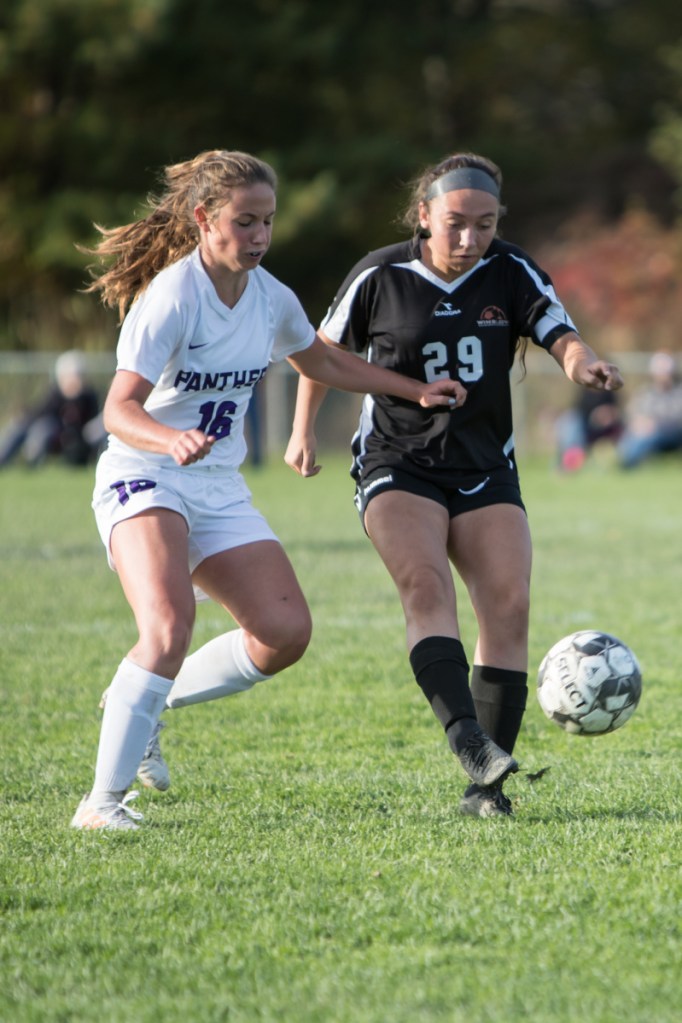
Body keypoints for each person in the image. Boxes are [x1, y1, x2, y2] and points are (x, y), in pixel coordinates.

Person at [71, 149, 465, 831]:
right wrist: (169, 440)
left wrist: (415, 389)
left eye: (267, 222)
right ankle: (100, 805)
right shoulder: (171, 296)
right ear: (204, 219)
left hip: (217, 485)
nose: (258, 235)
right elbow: (118, 410)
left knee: (284, 632)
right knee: (166, 628)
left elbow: (320, 358)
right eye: (244, 221)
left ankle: (145, 702)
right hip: (146, 472)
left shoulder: (270, 297)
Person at [284, 152, 623, 818]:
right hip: (397, 459)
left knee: (509, 603)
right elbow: (320, 352)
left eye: (486, 224)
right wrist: (301, 430)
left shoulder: (511, 270)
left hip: (484, 462)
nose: (470, 240)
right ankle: (466, 737)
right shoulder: (380, 274)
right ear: (423, 216)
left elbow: (562, 334)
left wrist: (584, 366)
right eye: (455, 224)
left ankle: (486, 791)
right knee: (425, 584)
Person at [0, 350, 101, 468]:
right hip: (48, 430)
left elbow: (89, 426)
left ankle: (31, 462)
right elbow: (41, 411)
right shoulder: (55, 395)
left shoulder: (88, 397)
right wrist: (24, 416)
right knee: (20, 426)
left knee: (43, 429)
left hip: (70, 438)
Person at [617, 350, 682, 469]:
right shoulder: (645, 393)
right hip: (644, 431)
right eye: (660, 372)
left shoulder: (678, 393)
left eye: (665, 372)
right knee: (631, 434)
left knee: (647, 437)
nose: (663, 375)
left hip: (670, 434)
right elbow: (631, 413)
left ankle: (627, 464)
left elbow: (678, 419)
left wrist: (655, 424)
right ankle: (619, 459)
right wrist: (638, 422)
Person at [555, 386, 623, 472]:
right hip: (583, 430)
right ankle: (570, 460)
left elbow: (615, 414)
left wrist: (607, 415)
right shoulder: (583, 394)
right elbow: (578, 411)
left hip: (604, 430)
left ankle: (571, 461)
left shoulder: (609, 394)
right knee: (570, 422)